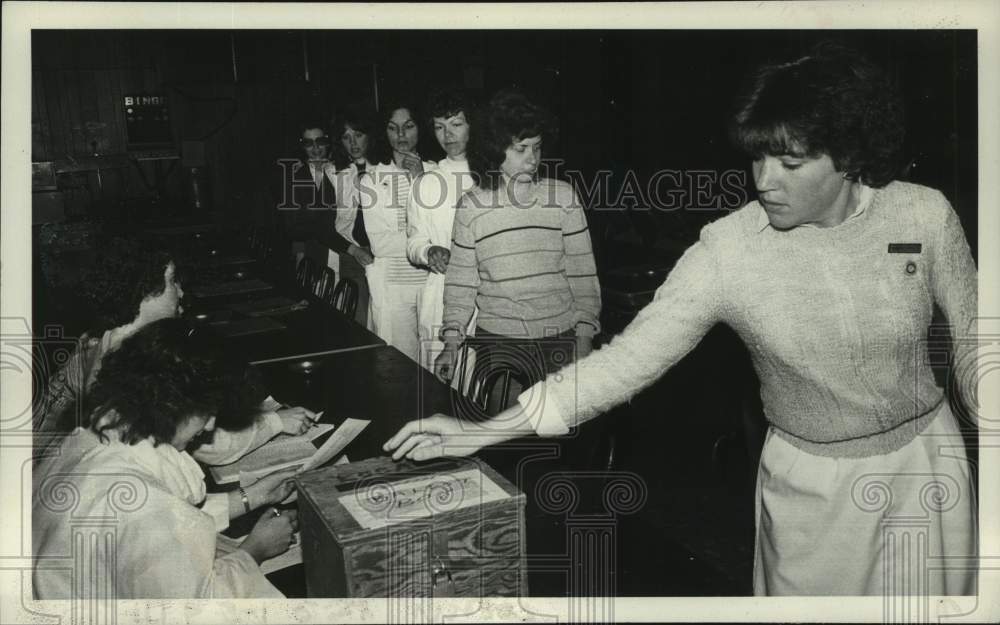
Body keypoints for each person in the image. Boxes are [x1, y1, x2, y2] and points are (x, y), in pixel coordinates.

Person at [386, 44, 978, 596]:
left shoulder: (923, 215)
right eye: (757, 157)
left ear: (848, 157)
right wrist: (481, 431)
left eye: (790, 161)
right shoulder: (730, 249)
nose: (763, 181)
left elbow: (981, 348)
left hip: (929, 464)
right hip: (811, 490)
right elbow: (624, 362)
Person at [33, 318, 298, 598]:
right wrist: (254, 550)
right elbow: (197, 608)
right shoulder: (147, 507)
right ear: (173, 405)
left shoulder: (97, 432)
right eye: (206, 412)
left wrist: (251, 496)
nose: (209, 425)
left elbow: (153, 528)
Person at [33, 237, 317, 463]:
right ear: (145, 291)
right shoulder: (132, 359)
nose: (180, 292)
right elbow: (210, 446)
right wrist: (277, 421)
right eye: (172, 281)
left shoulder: (107, 334)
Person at [433, 90, 601, 398]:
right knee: (505, 439)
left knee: (560, 439)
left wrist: (585, 337)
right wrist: (451, 344)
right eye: (521, 148)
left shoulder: (563, 197)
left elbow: (583, 275)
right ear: (496, 149)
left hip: (559, 339)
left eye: (537, 147)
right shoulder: (471, 206)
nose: (533, 158)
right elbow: (461, 283)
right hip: (499, 344)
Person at [406, 89, 479, 374]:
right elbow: (413, 241)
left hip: (488, 300)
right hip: (441, 294)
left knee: (479, 395)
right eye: (439, 127)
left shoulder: (493, 178)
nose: (447, 135)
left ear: (473, 125)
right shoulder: (427, 182)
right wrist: (428, 251)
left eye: (456, 125)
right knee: (438, 390)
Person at [358, 102, 436, 361]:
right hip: (394, 287)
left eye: (408, 127)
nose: (401, 135)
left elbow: (448, 232)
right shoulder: (372, 179)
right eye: (393, 128)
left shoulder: (437, 172)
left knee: (436, 366)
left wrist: (419, 179)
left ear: (420, 129)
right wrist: (427, 239)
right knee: (402, 365)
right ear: (385, 132)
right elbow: (379, 245)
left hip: (432, 284)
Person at [277, 122, 372, 271]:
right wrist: (300, 255)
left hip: (346, 251)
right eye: (309, 143)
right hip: (315, 254)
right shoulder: (296, 178)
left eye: (320, 142)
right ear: (303, 146)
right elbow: (293, 226)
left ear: (328, 142)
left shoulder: (341, 171)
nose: (315, 148)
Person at [330, 108, 377, 327]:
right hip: (350, 252)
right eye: (346, 137)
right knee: (357, 320)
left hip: (382, 254)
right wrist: (353, 249)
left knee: (383, 321)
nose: (353, 143)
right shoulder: (333, 173)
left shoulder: (385, 169)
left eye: (358, 135)